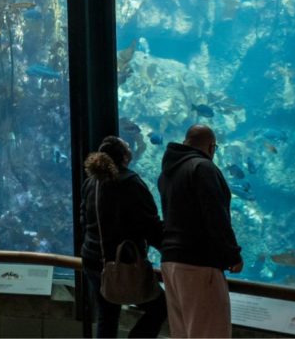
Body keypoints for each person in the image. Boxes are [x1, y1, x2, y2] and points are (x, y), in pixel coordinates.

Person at [158, 124, 243, 338]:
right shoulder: (203, 168)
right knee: (210, 333)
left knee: (183, 333)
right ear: (211, 147)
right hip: (198, 265)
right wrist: (232, 255)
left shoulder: (167, 172)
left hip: (170, 263)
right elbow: (216, 216)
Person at [81, 136, 166, 338]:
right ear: (125, 156)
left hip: (92, 260)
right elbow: (150, 224)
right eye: (128, 147)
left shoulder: (91, 182)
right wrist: (168, 249)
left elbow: (83, 220)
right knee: (160, 307)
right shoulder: (130, 182)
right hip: (122, 263)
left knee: (107, 315)